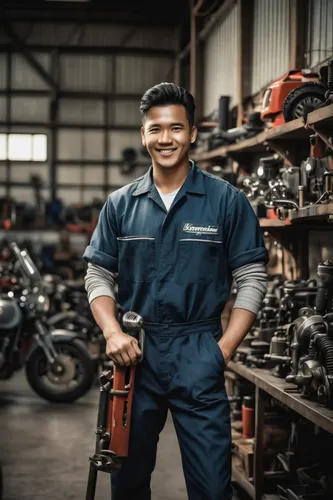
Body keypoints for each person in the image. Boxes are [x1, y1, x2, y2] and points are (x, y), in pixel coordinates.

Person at [83, 82, 269, 500]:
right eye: (155, 129)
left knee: (211, 487)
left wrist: (221, 351)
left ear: (192, 133)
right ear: (143, 133)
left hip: (198, 353)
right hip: (135, 358)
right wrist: (112, 333)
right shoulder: (121, 204)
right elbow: (98, 274)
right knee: (127, 483)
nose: (165, 139)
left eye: (176, 128)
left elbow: (252, 278)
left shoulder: (225, 201)